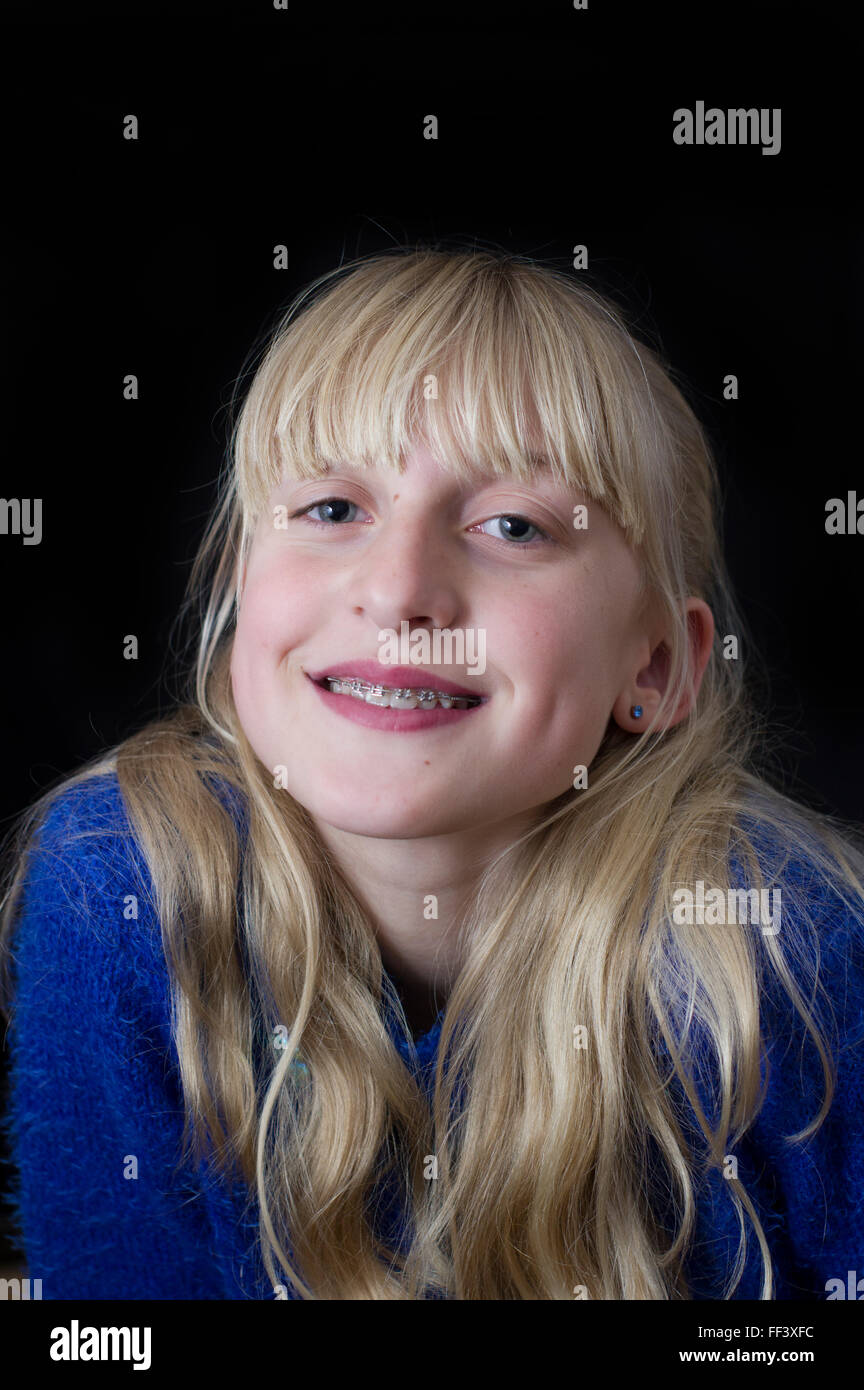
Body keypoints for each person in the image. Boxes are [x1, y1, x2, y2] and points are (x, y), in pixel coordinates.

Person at [2, 246, 863, 1300]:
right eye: (332, 510)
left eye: (513, 525)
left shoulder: (783, 950)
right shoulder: (122, 887)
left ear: (656, 665)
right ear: (240, 596)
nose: (400, 588)